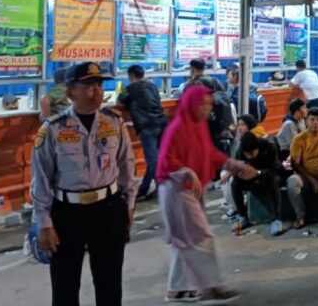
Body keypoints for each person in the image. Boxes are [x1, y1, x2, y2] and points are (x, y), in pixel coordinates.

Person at [31, 62, 137, 306]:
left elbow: (127, 167)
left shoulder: (114, 122)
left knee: (110, 284)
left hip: (108, 209)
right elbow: (41, 179)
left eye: (99, 84)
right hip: (67, 213)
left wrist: (128, 206)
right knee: (65, 286)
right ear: (70, 93)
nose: (97, 91)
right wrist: (43, 223)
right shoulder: (53, 129)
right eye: (88, 86)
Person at [156, 85, 253, 303]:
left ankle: (177, 289)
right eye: (204, 104)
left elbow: (209, 153)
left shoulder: (197, 125)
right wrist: (187, 172)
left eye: (209, 104)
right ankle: (211, 286)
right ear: (192, 104)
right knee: (200, 237)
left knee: (184, 241)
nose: (208, 108)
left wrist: (235, 165)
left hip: (190, 188)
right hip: (176, 188)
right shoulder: (178, 127)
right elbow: (167, 162)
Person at [118, 65, 168, 200]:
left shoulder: (132, 89)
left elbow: (121, 99)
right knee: (157, 159)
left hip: (148, 126)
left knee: (153, 161)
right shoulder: (152, 86)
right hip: (162, 124)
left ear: (130, 76)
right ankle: (149, 188)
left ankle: (153, 188)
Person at [224, 132, 284, 236]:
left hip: (268, 175)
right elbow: (238, 166)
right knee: (235, 184)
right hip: (250, 178)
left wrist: (258, 173)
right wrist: (237, 174)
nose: (250, 157)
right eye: (247, 155)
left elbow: (275, 169)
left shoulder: (269, 147)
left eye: (252, 153)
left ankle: (276, 219)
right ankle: (243, 216)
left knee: (273, 181)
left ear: (257, 148)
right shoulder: (241, 151)